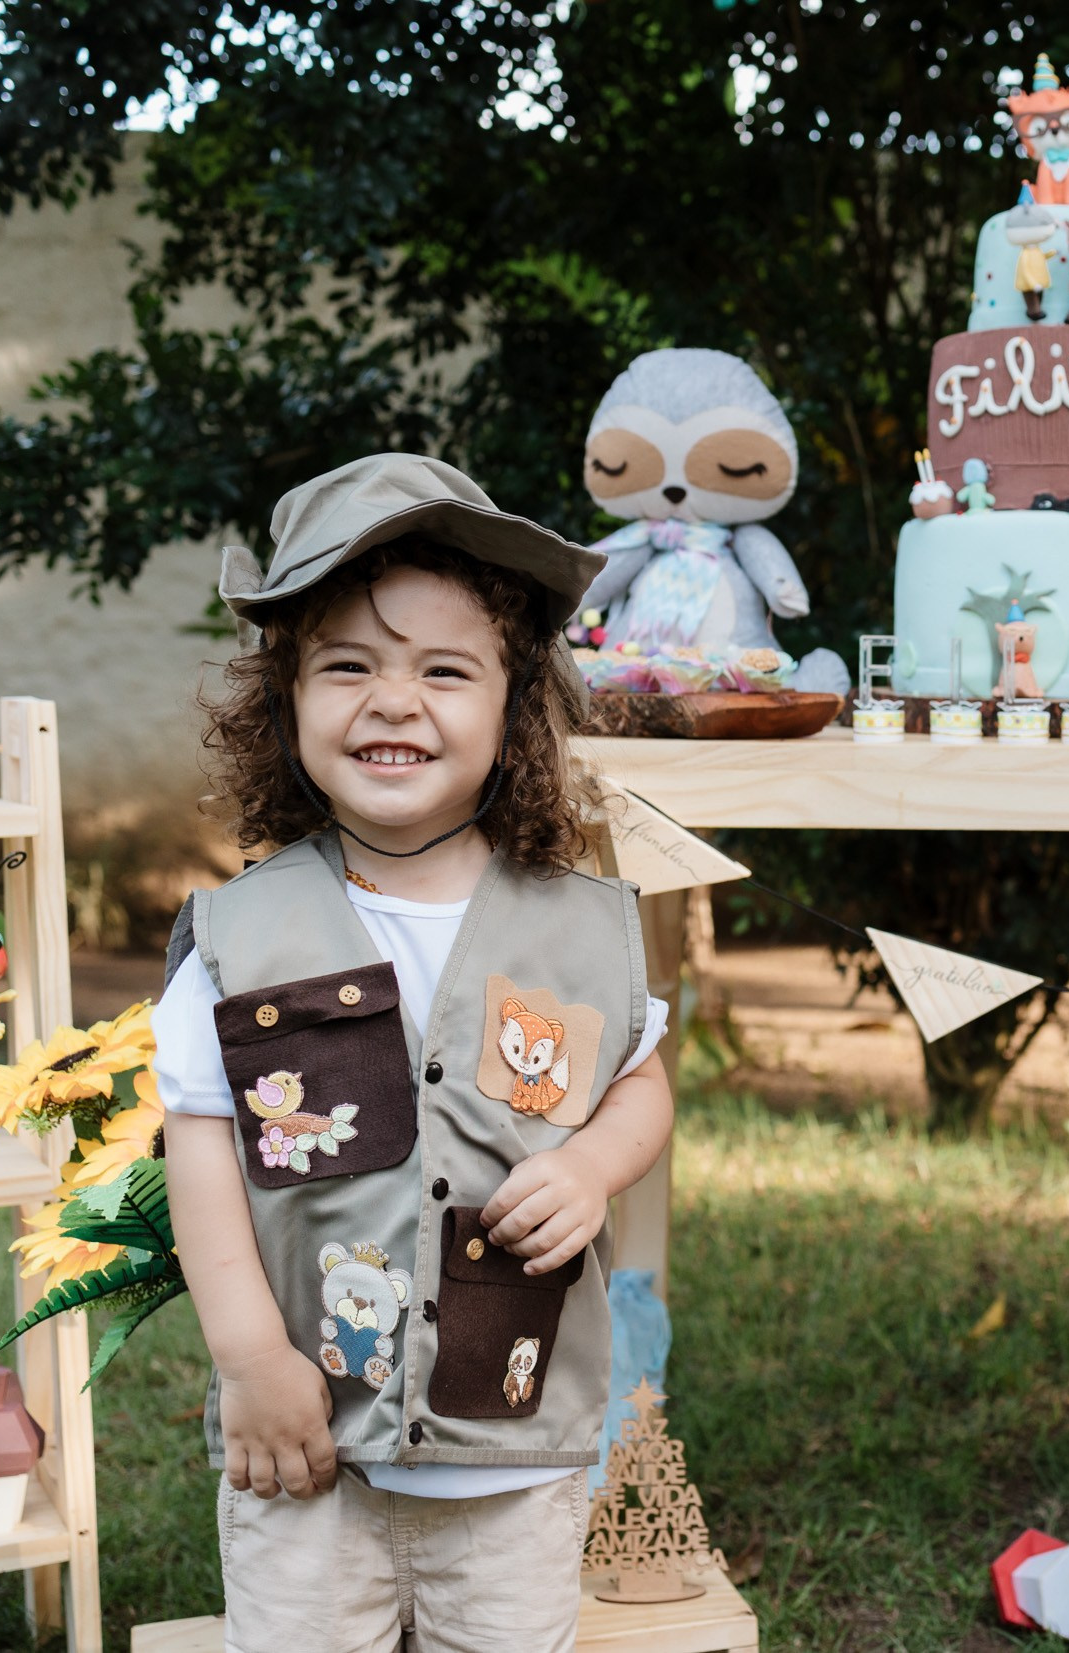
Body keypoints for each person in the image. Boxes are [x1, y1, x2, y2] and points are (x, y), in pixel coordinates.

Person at [156, 453, 675, 1652]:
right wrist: (247, 1355)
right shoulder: (238, 934)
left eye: (445, 671)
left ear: (513, 706)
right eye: (347, 667)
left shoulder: (583, 921)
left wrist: (596, 1166)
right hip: (306, 1452)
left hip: (515, 1451)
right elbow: (198, 1146)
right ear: (285, 699)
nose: (393, 702)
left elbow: (639, 1090)